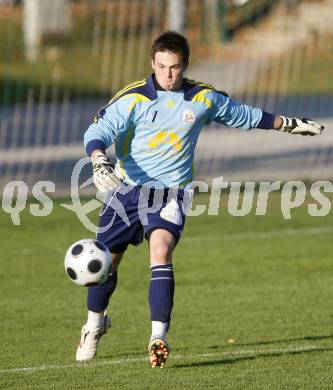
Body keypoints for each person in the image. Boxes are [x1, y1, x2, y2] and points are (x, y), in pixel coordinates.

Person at [77, 31, 324, 367]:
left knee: (161, 250)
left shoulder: (202, 98)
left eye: (175, 67)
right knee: (106, 262)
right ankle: (94, 325)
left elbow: (245, 115)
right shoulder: (133, 98)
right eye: (162, 66)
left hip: (172, 192)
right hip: (127, 190)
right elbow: (98, 131)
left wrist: (288, 125)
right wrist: (98, 158)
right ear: (152, 63)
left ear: (185, 66)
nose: (167, 74)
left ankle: (158, 337)